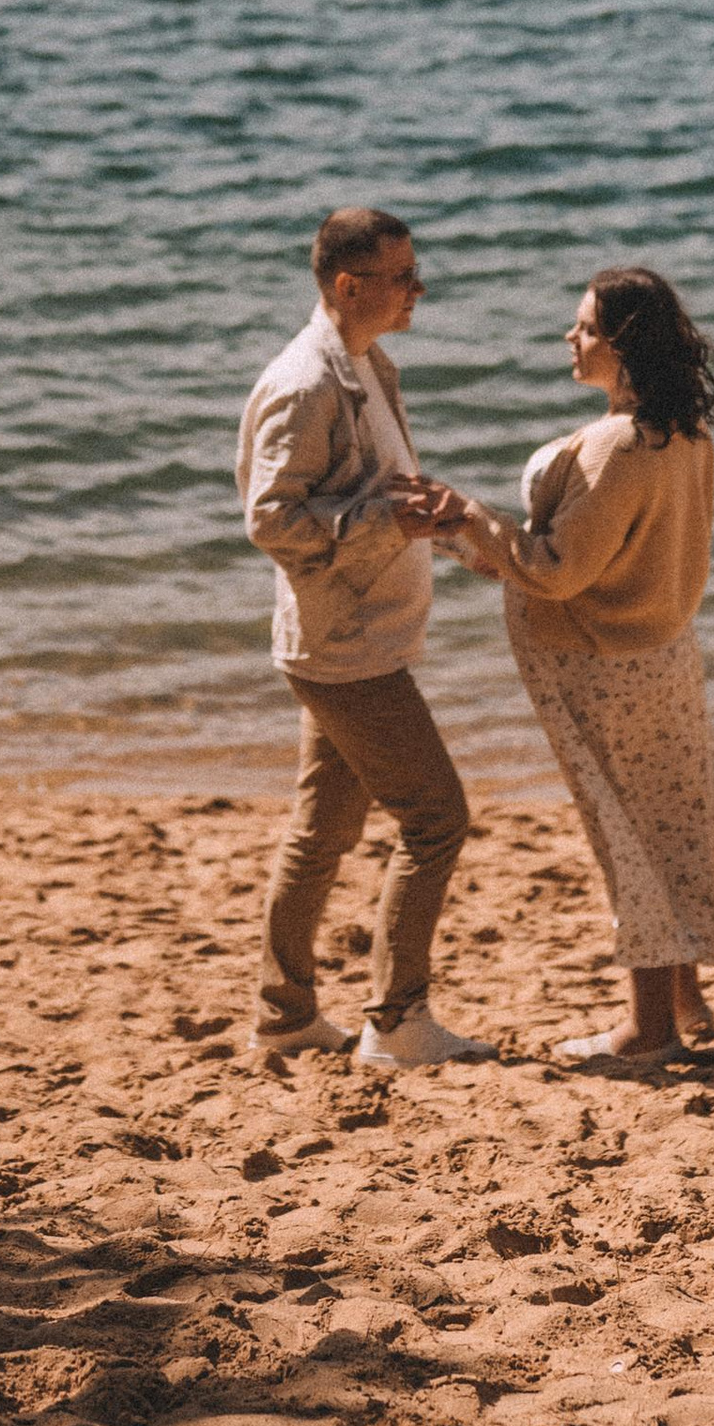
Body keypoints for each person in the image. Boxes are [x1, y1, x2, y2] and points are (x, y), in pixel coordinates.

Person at [395, 264, 714, 1065]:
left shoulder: (616, 447)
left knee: (625, 832)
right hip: (661, 658)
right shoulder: (684, 433)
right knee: (670, 821)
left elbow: (558, 570)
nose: (572, 337)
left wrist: (467, 514)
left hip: (600, 670)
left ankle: (649, 1030)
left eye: (587, 328)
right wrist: (461, 533)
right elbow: (598, 556)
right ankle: (681, 994)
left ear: (623, 345)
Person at [236, 207, 497, 1070]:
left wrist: (453, 534)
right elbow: (272, 520)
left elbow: (380, 494)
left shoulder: (366, 363)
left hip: (354, 636)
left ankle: (284, 1015)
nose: (419, 289)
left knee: (322, 832)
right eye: (403, 275)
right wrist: (384, 518)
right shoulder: (306, 383)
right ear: (350, 286)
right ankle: (396, 1020)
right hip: (346, 648)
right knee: (436, 820)